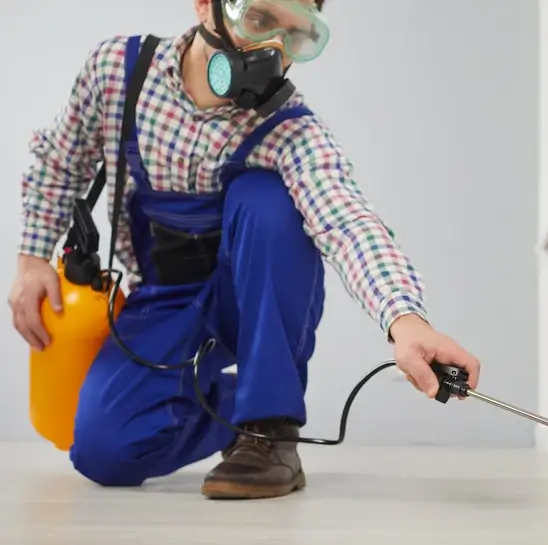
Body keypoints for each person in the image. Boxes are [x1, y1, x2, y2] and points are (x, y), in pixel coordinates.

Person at [7, 0, 481, 499]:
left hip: (253, 295)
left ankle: (270, 427)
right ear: (205, 7)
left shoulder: (291, 131)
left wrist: (405, 320)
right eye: (259, 20)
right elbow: (60, 161)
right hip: (165, 297)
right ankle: (241, 406)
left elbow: (346, 220)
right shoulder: (119, 74)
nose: (274, 48)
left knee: (267, 199)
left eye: (296, 35)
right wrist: (33, 257)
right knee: (105, 451)